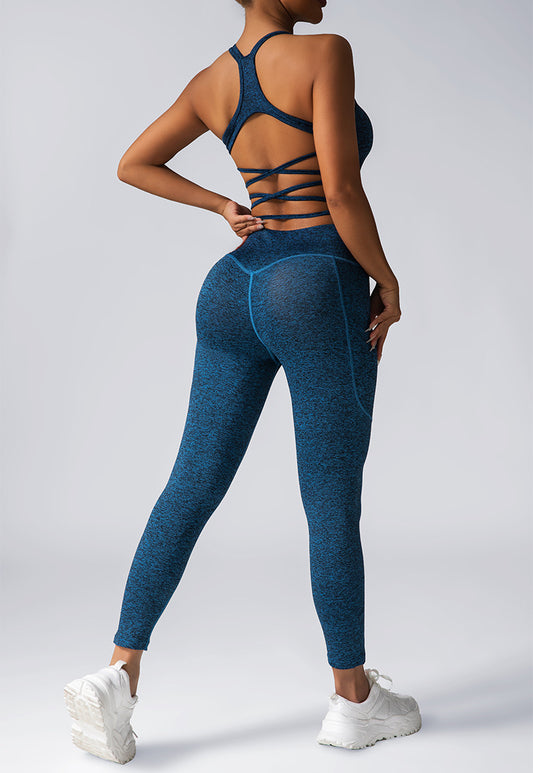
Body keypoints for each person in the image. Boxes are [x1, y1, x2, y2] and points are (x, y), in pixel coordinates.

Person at [64, 0, 421, 763]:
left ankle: (118, 675)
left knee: (191, 482)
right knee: (330, 497)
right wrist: (387, 282)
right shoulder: (324, 53)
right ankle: (353, 699)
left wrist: (223, 204)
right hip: (315, 283)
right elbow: (340, 191)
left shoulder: (210, 82)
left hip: (234, 287)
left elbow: (133, 162)